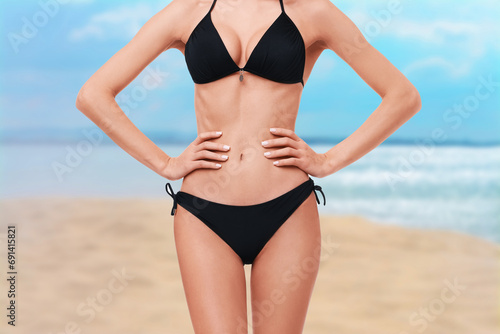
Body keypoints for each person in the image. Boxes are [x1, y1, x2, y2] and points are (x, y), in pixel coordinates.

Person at [75, 0, 421, 332]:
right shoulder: (187, 10)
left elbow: (403, 96)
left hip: (287, 210)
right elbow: (94, 94)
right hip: (202, 215)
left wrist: (328, 161)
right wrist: (164, 163)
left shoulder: (314, 11)